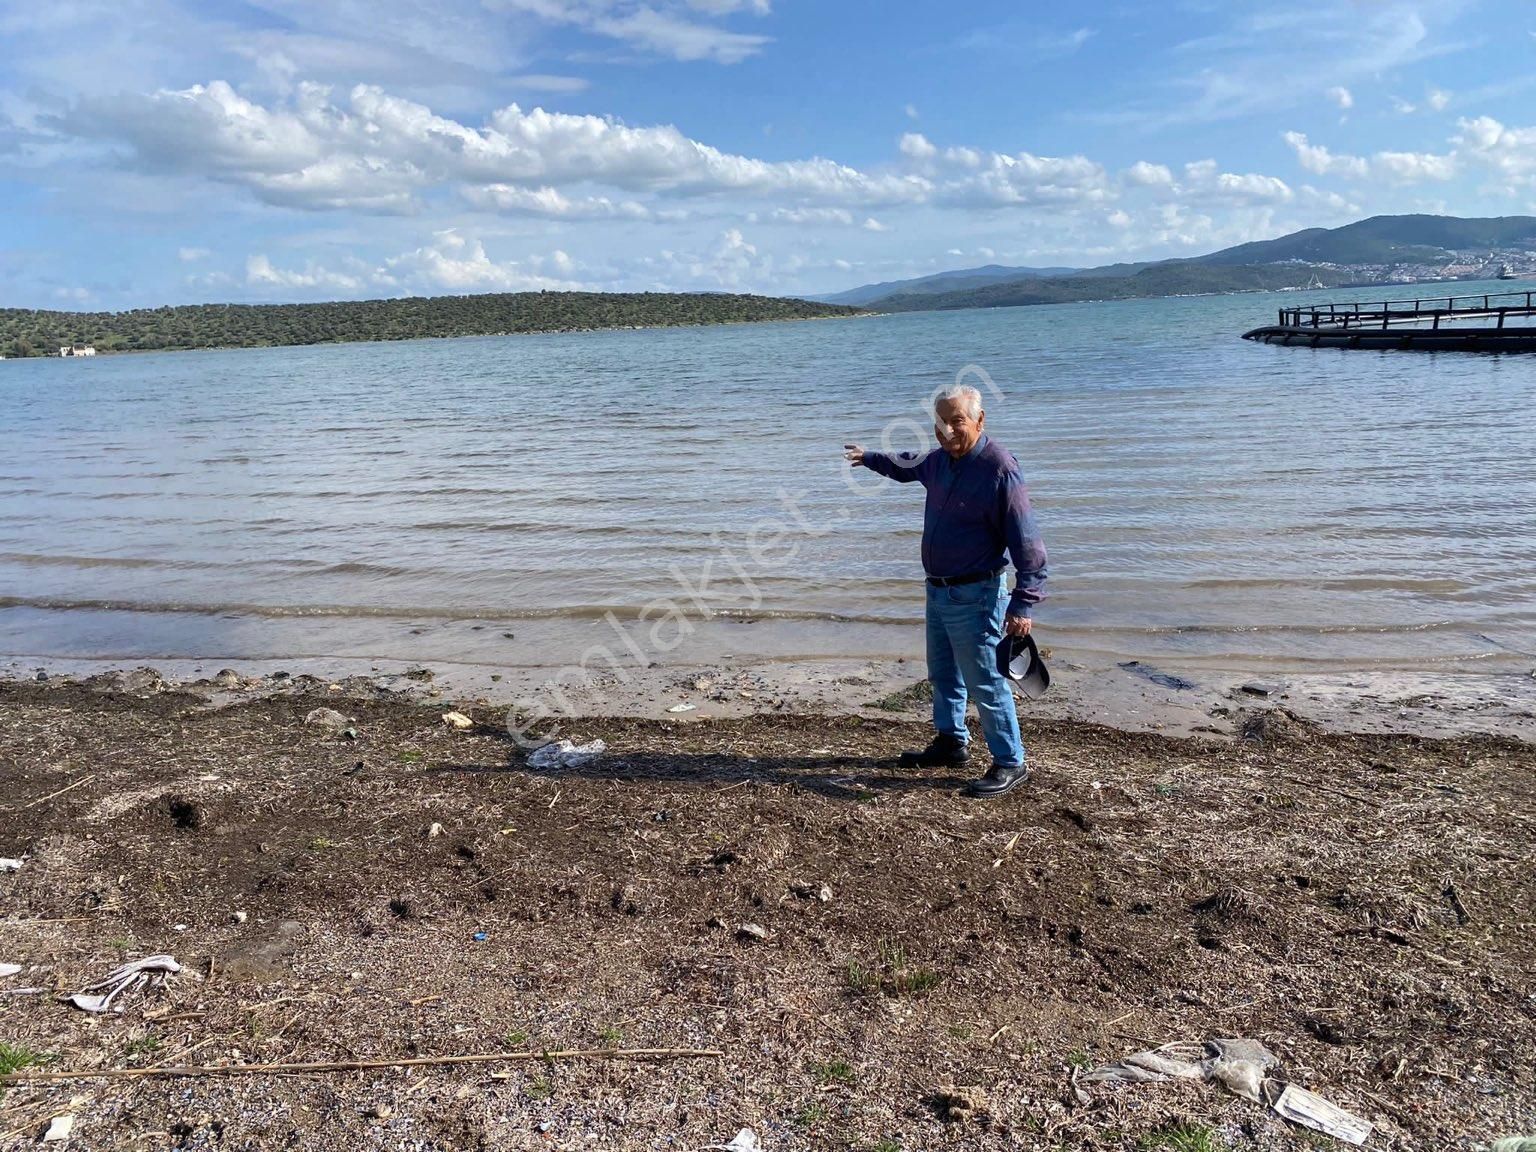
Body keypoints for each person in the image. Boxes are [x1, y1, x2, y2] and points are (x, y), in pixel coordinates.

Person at [844, 384, 1047, 798]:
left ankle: (1011, 762)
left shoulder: (999, 468)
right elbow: (904, 464)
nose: (948, 430)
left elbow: (1028, 545)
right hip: (938, 592)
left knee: (986, 682)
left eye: (958, 421)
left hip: (978, 595)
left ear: (980, 420)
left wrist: (1023, 602)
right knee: (943, 674)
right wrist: (869, 459)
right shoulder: (937, 462)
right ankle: (951, 743)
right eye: (940, 422)